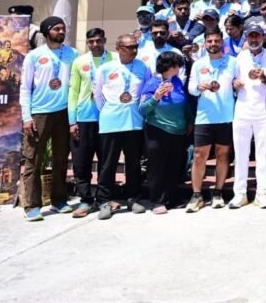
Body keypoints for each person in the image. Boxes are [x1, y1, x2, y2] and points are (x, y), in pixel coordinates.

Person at [19, 16, 77, 221]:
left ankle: (58, 200)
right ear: (46, 32)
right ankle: (32, 205)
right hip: (39, 113)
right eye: (56, 29)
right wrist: (27, 117)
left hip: (63, 112)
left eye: (63, 28)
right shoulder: (34, 56)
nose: (61, 32)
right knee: (33, 159)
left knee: (61, 158)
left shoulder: (72, 54)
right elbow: (25, 88)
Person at [94, 34, 151, 220]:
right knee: (108, 164)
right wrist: (109, 111)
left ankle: (132, 198)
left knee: (133, 164)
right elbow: (97, 95)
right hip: (111, 122)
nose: (134, 50)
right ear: (119, 48)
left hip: (134, 122)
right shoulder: (105, 68)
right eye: (130, 47)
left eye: (136, 46)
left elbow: (146, 92)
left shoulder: (143, 67)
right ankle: (104, 200)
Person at [231, 20, 266, 209]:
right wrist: (235, 83)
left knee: (263, 154)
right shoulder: (240, 57)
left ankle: (262, 193)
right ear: (246, 37)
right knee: (241, 153)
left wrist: (264, 78)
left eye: (257, 35)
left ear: (263, 37)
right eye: (250, 36)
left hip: (264, 112)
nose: (254, 39)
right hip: (242, 110)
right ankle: (240, 193)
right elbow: (233, 80)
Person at [186, 29, 238, 212]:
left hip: (226, 116)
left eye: (216, 41)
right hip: (204, 116)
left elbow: (239, 82)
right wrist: (199, 87)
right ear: (205, 43)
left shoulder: (233, 62)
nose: (213, 44)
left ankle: (218, 192)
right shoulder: (198, 64)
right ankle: (197, 195)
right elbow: (191, 88)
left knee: (223, 154)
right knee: (199, 155)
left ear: (222, 42)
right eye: (210, 41)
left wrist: (237, 84)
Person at [140, 51, 192, 214]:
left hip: (178, 131)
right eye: (177, 65)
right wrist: (156, 96)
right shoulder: (152, 83)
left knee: (174, 166)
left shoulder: (177, 81)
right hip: (158, 130)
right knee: (158, 166)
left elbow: (185, 103)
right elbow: (142, 109)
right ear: (170, 66)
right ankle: (156, 201)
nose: (179, 68)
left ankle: (171, 198)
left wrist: (189, 121)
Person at [68, 28, 111, 218]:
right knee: (81, 162)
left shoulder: (114, 59)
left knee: (106, 162)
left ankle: (103, 199)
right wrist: (72, 121)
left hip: (108, 118)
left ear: (104, 40)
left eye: (98, 40)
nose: (95, 44)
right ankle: (85, 199)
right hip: (84, 118)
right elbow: (73, 92)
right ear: (87, 43)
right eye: (91, 41)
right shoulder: (80, 61)